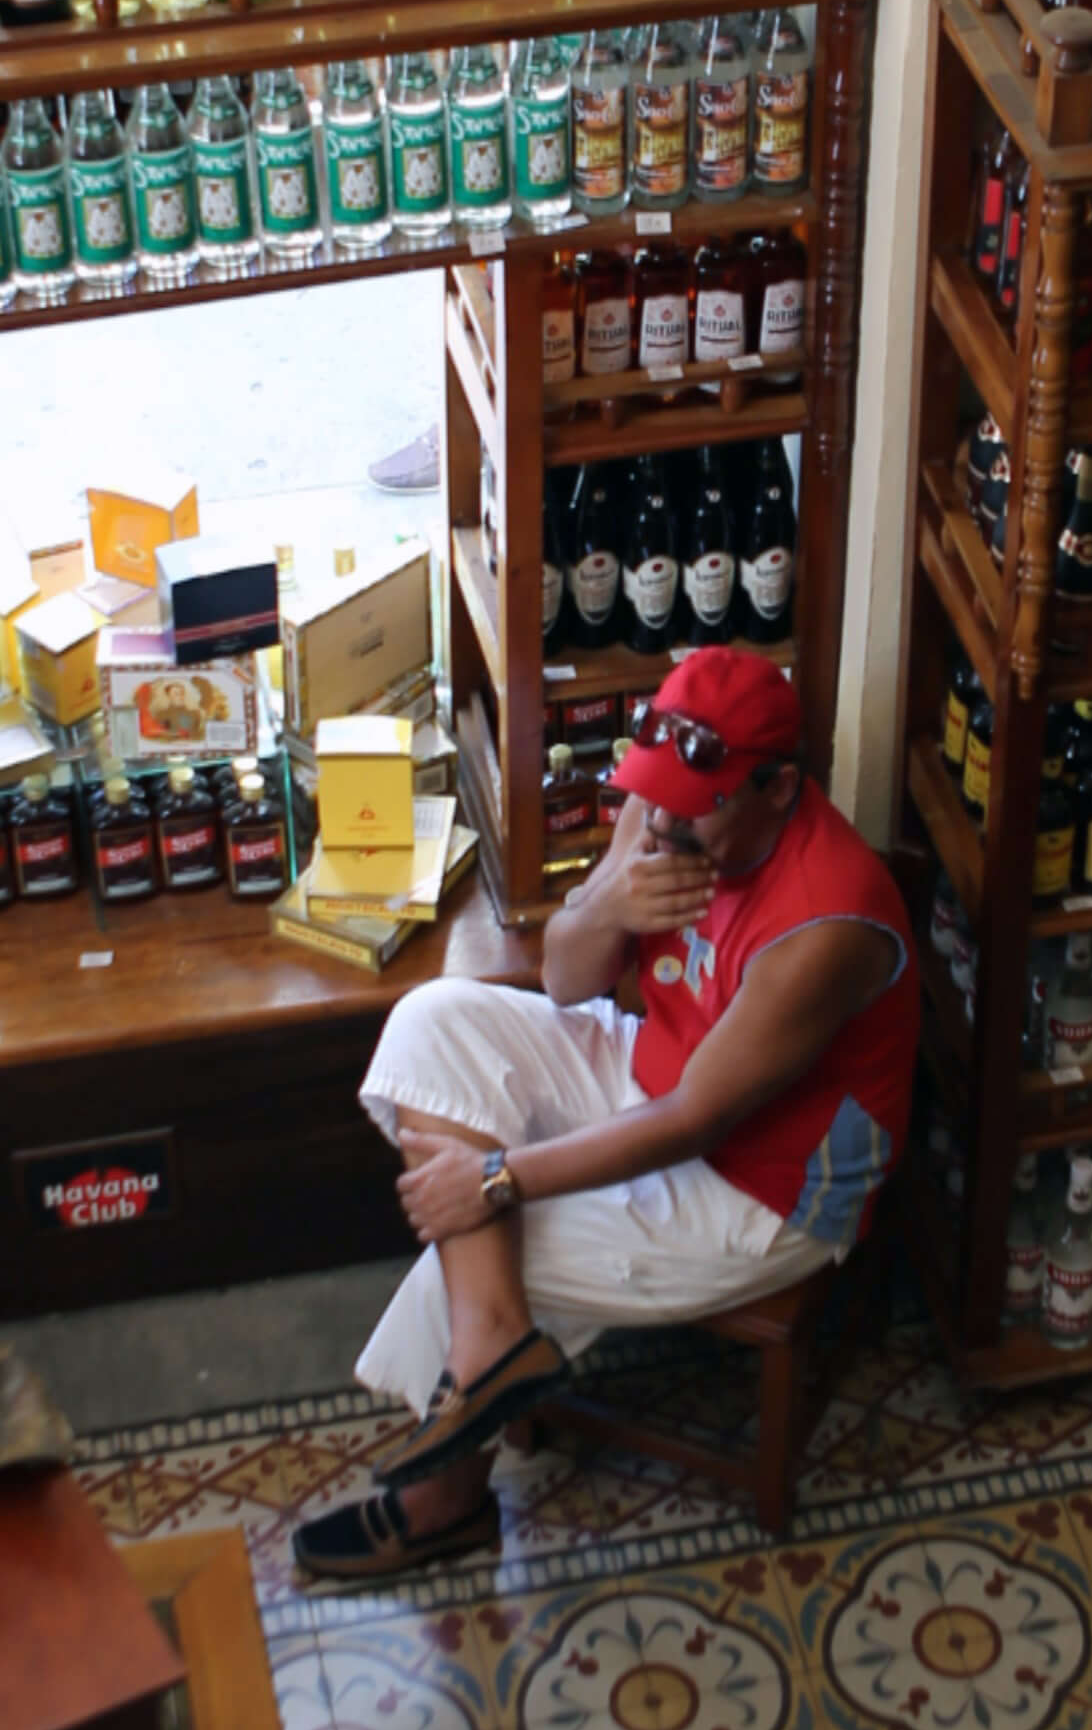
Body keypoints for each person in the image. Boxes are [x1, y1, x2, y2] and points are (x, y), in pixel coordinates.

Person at [294, 643, 915, 1578]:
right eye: (650, 796)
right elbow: (567, 980)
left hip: (761, 1187)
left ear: (779, 789)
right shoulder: (667, 805)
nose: (660, 823)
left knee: (484, 1249)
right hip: (651, 1067)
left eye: (693, 810)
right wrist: (603, 904)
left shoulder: (828, 922)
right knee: (429, 1024)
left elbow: (694, 1124)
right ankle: (494, 1347)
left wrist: (495, 1182)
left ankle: (447, 1499)